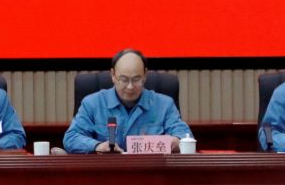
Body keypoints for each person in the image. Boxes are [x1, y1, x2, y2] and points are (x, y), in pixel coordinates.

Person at [64, 49, 193, 153]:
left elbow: (186, 136)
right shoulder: (92, 104)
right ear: (113, 75)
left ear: (145, 75)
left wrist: (176, 141)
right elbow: (71, 138)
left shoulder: (164, 104)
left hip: (150, 172)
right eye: (124, 79)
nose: (130, 87)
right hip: (106, 173)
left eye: (136, 79)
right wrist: (97, 146)